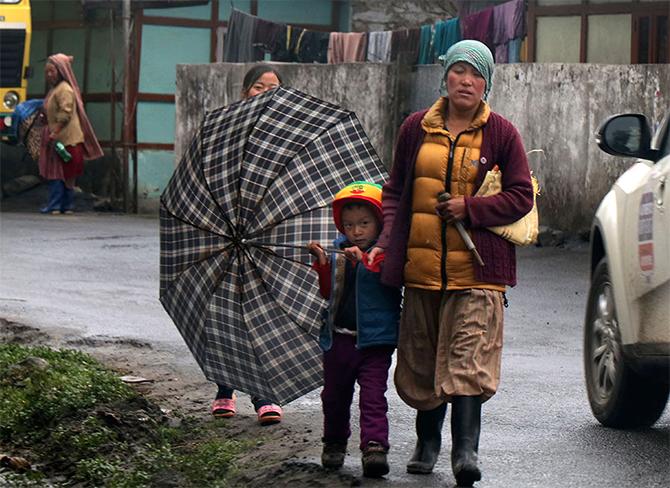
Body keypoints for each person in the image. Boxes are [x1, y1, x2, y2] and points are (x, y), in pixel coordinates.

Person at [368, 40, 534, 487]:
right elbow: (396, 193)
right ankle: (427, 443)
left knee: (468, 360)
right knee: (422, 359)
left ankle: (465, 450)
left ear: (487, 83)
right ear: (445, 76)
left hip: (479, 274)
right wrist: (387, 239)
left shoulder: (501, 133)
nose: (467, 80)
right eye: (459, 71)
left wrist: (470, 208)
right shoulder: (414, 129)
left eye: (476, 74)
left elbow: (521, 195)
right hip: (421, 271)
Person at [307, 181, 401, 478]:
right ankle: (334, 442)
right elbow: (328, 293)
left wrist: (369, 264)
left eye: (363, 224)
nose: (356, 231)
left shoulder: (386, 256)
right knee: (334, 395)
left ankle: (374, 446)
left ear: (379, 224)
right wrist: (323, 265)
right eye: (349, 225)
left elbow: (391, 282)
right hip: (338, 339)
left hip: (375, 342)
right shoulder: (339, 252)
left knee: (373, 396)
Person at [210, 64, 284, 426]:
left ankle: (265, 395)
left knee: (262, 311)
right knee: (226, 309)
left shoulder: (287, 136)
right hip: (226, 228)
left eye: (273, 88)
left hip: (266, 231)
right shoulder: (224, 128)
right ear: (245, 92)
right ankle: (225, 390)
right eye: (259, 87)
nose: (266, 92)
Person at [39, 53, 103, 214]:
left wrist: (55, 132)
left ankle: (59, 205)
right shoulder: (55, 90)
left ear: (60, 71)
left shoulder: (65, 90)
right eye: (47, 71)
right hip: (59, 138)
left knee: (63, 174)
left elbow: (65, 113)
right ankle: (63, 206)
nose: (49, 75)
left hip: (67, 140)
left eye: (52, 71)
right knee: (61, 173)